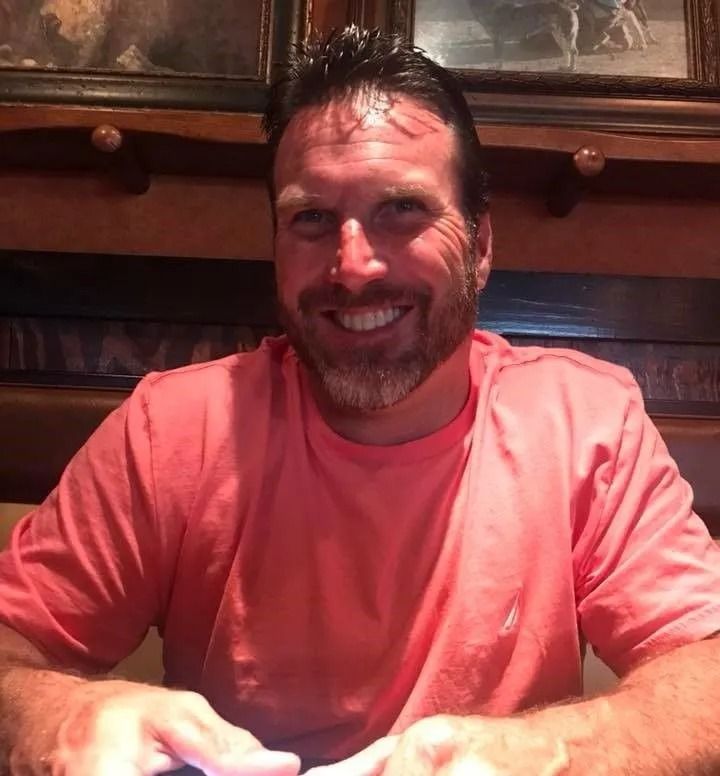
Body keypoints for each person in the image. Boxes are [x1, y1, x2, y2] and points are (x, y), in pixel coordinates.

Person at [1, 25, 719, 776]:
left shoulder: (584, 423)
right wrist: (58, 717)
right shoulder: (170, 430)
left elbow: (708, 681)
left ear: (479, 248)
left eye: (401, 210)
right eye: (311, 219)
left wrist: (547, 752)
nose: (353, 266)